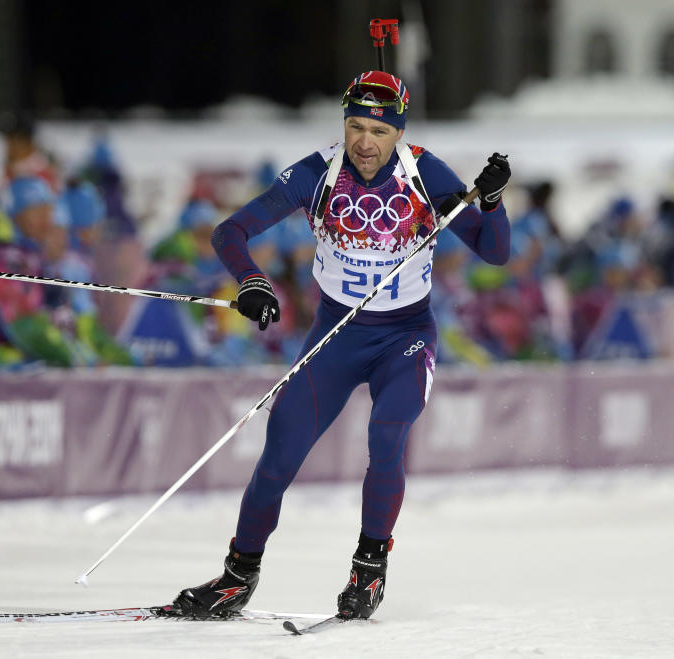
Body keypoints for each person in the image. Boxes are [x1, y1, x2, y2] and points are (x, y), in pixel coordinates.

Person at [173, 70, 511, 620]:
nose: (364, 142)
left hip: (404, 337)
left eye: (379, 130)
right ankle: (236, 579)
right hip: (335, 334)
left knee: (387, 432)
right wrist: (252, 282)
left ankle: (368, 571)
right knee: (279, 454)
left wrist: (491, 202)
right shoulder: (316, 172)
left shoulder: (425, 172)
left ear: (398, 133)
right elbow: (229, 231)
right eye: (354, 126)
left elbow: (493, 252)